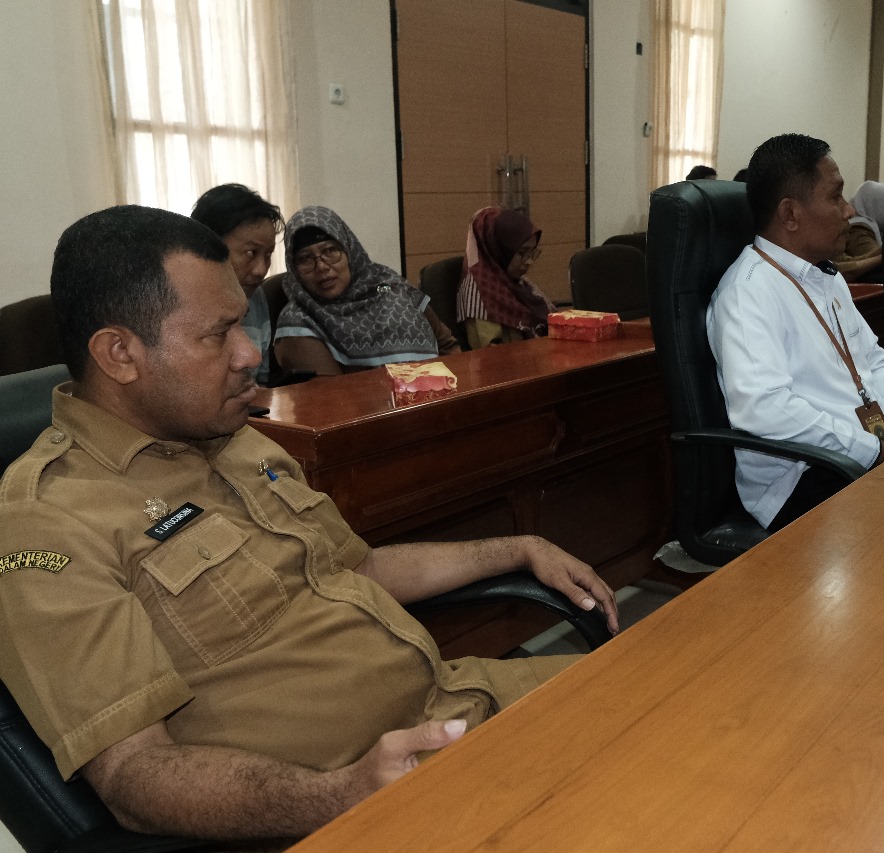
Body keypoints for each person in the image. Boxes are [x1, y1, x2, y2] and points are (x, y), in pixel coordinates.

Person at [0, 205, 619, 842]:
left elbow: (358, 568)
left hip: (458, 700)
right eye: (218, 334)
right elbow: (134, 776)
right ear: (120, 354)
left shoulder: (231, 437)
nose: (249, 354)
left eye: (242, 323)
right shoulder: (49, 521)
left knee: (657, 692)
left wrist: (515, 548)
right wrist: (341, 795)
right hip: (360, 800)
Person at [707, 134, 884, 533]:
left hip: (866, 451)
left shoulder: (825, 277)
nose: (849, 210)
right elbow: (765, 408)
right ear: (790, 214)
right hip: (803, 474)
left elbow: (873, 362)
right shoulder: (748, 291)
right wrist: (875, 450)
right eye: (836, 196)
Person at [273, 206, 460, 376]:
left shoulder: (389, 286)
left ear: (350, 251)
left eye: (330, 251)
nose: (321, 266)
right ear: (294, 269)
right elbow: (332, 396)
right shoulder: (298, 323)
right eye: (305, 258)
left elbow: (447, 346)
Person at [190, 183, 282, 385]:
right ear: (210, 247)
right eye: (250, 253)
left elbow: (261, 383)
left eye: (268, 255)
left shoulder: (255, 296)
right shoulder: (181, 305)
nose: (261, 270)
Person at [456, 206, 556, 349]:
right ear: (498, 249)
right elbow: (490, 354)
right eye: (522, 253)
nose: (529, 261)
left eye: (532, 253)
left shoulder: (516, 280)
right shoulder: (479, 293)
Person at [835, 180, 884, 281]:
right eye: (834, 198)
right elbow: (843, 270)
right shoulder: (858, 228)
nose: (849, 210)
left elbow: (842, 265)